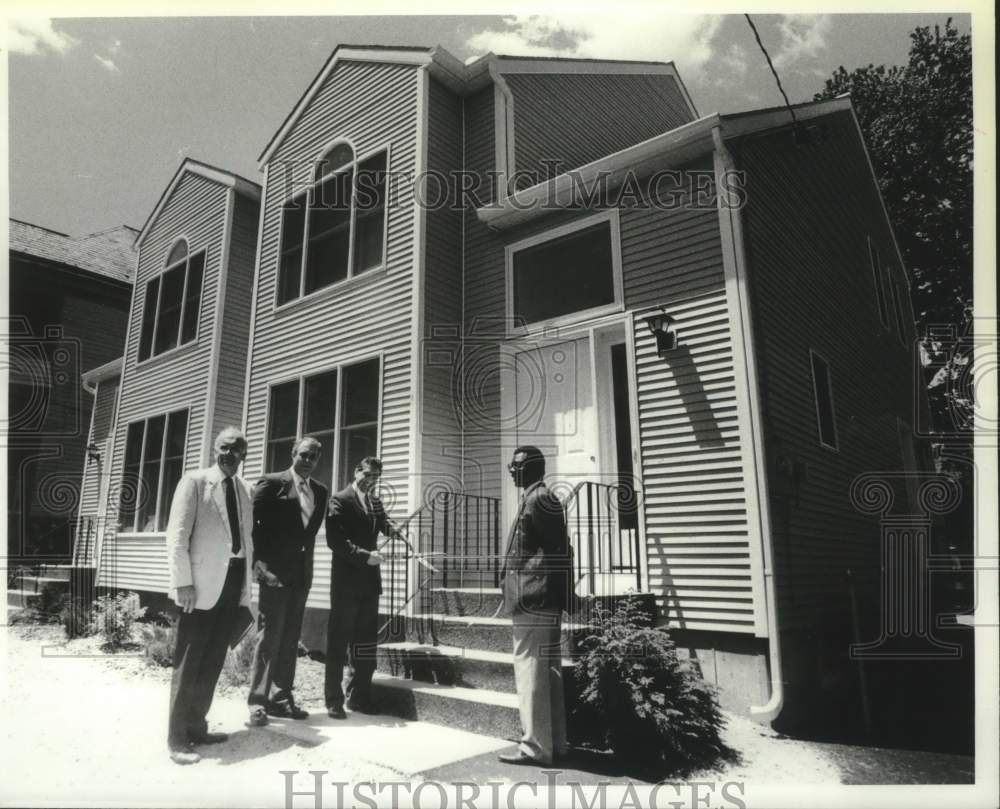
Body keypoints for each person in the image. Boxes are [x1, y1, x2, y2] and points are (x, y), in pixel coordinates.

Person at [165, 427, 254, 765]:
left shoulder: (245, 490)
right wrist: (183, 583)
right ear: (215, 448)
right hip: (199, 587)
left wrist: (247, 583)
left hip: (232, 584)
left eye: (237, 450)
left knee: (214, 660)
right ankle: (176, 738)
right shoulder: (195, 482)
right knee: (189, 663)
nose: (230, 454)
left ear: (244, 454)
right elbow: (176, 537)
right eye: (225, 448)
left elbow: (245, 540)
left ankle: (197, 727)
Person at [497, 446, 573, 766]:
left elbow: (560, 550)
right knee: (546, 674)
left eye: (515, 466)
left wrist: (562, 596)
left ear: (532, 467)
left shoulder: (538, 498)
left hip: (534, 598)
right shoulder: (537, 497)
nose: (510, 471)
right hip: (540, 598)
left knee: (531, 673)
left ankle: (535, 747)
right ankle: (554, 744)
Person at [246, 436, 328, 726]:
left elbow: (309, 535)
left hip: (301, 576)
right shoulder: (271, 483)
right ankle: (258, 702)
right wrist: (260, 567)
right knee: (269, 637)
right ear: (293, 453)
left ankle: (281, 698)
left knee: (291, 637)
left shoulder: (321, 491)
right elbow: (251, 528)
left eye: (314, 457)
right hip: (274, 574)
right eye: (304, 454)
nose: (309, 461)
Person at [324, 456, 401, 718]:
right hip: (346, 583)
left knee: (366, 642)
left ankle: (359, 697)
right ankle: (333, 699)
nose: (371, 481)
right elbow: (336, 541)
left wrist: (395, 531)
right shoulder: (339, 500)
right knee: (339, 641)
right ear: (357, 471)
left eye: (376, 478)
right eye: (367, 475)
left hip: (370, 583)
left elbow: (384, 524)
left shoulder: (375, 502)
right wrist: (365, 556)